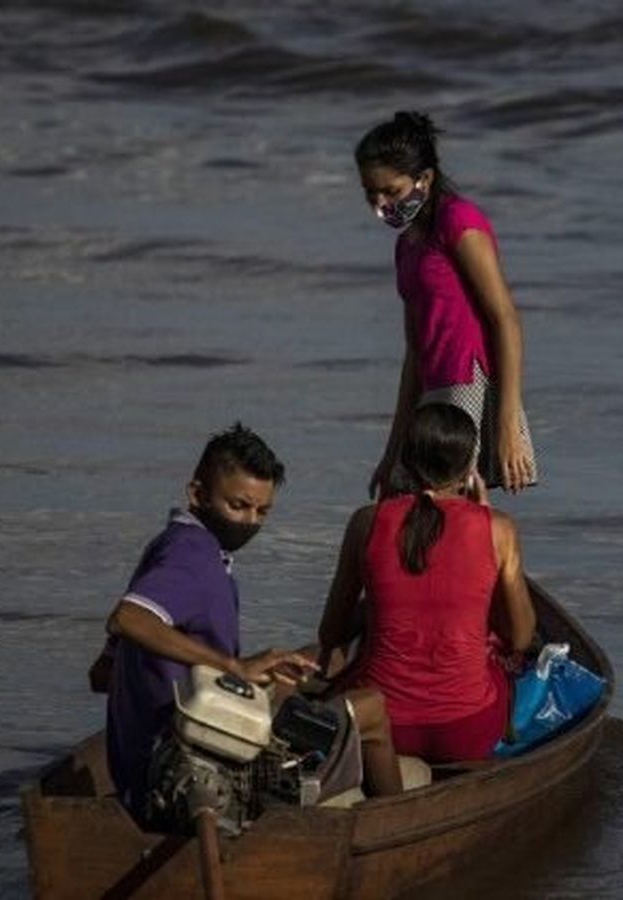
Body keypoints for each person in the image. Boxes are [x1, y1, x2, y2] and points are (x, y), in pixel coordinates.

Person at [92, 423, 402, 819]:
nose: (251, 522)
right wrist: (234, 666)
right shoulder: (193, 559)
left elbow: (101, 674)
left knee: (303, 666)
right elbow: (128, 618)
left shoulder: (168, 547)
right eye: (237, 506)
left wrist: (244, 671)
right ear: (197, 494)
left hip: (155, 757)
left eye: (262, 511)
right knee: (372, 708)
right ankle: (397, 828)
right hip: (190, 775)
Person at [317, 404, 537, 763]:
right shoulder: (498, 528)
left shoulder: (366, 522)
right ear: (469, 467)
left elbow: (332, 633)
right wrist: (485, 519)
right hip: (466, 730)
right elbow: (522, 636)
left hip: (387, 727)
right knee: (503, 668)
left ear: (406, 460)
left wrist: (376, 608)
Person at [356, 110, 539, 497]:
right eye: (371, 193)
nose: (380, 204)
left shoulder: (458, 221)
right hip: (431, 389)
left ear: (424, 178)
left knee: (458, 514)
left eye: (391, 191)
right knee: (407, 504)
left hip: (469, 383)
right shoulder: (406, 245)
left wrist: (507, 424)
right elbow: (415, 351)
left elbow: (505, 318)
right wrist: (392, 452)